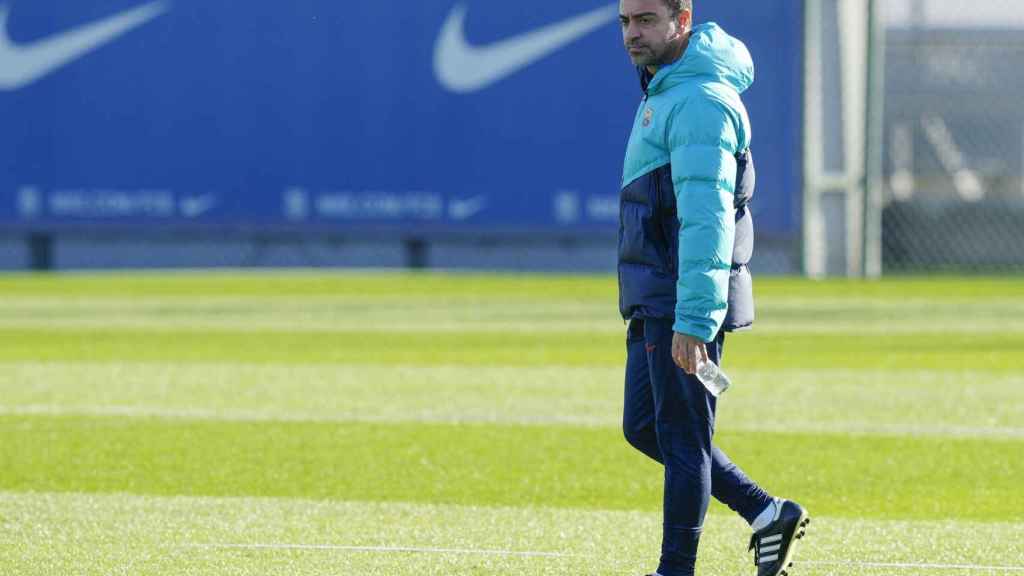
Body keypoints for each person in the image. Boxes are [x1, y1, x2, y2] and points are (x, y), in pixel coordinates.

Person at [616, 1, 809, 575]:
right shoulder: (668, 90)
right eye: (626, 21)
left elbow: (707, 220)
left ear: (683, 19)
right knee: (647, 428)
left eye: (646, 19)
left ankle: (675, 569)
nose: (633, 33)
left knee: (680, 438)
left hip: (682, 299)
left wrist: (694, 319)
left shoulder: (700, 99)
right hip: (658, 293)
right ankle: (766, 511)